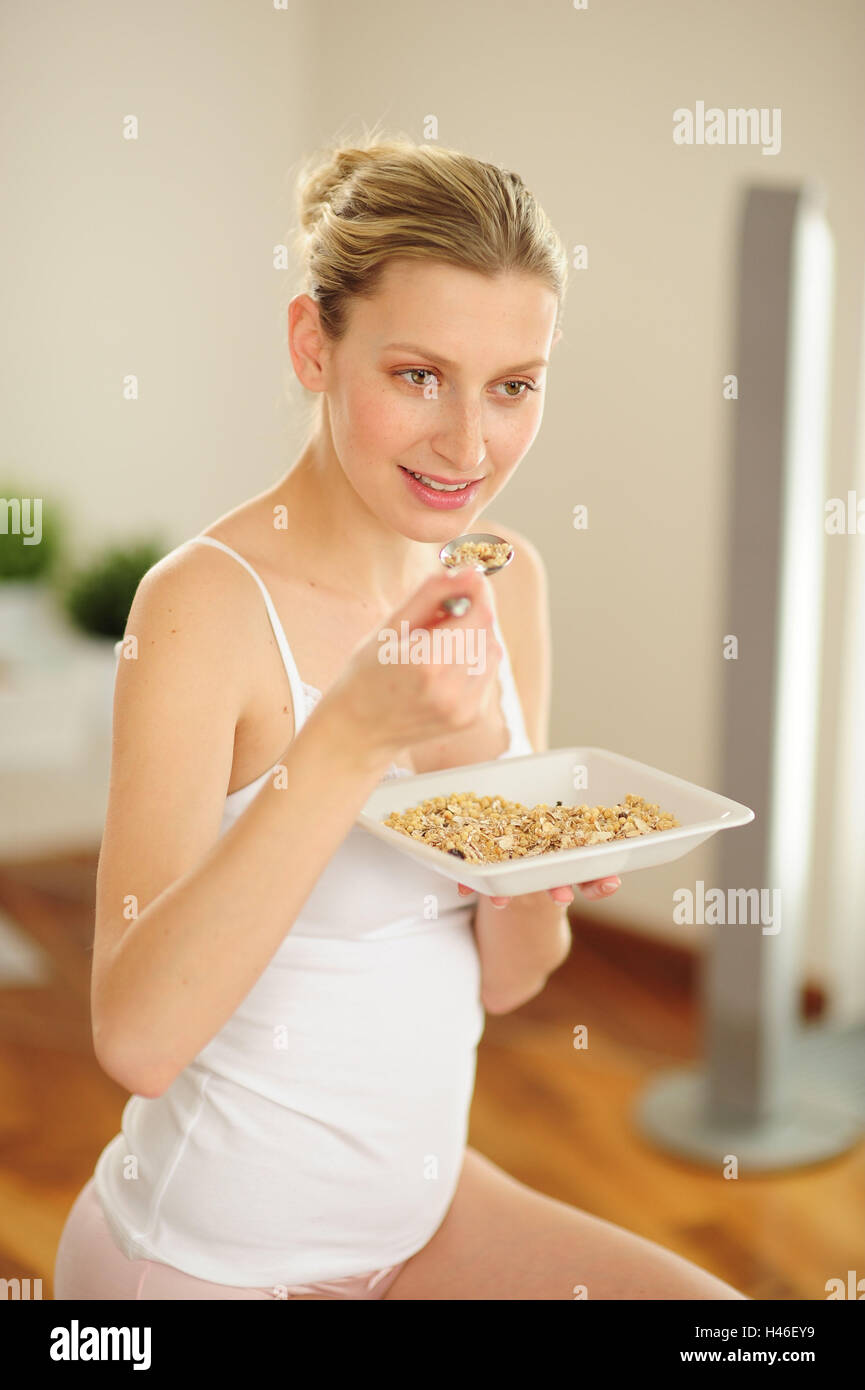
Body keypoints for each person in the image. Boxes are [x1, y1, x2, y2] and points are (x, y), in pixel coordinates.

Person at [53, 134, 747, 1300]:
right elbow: (136, 1036)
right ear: (313, 346)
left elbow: (508, 980)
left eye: (512, 386)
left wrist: (530, 867)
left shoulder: (504, 577)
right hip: (198, 1262)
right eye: (418, 375)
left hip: (419, 1222)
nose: (468, 445)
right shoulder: (202, 608)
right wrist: (353, 739)